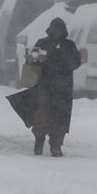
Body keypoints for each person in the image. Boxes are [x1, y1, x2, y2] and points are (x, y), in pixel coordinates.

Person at [31, 17, 83, 156]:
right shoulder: (42, 44)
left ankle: (56, 146)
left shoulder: (69, 46)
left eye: (60, 30)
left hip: (62, 90)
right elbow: (32, 65)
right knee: (42, 117)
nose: (57, 33)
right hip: (46, 88)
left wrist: (63, 54)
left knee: (59, 120)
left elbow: (75, 63)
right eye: (55, 30)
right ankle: (39, 142)